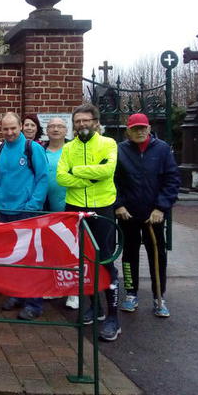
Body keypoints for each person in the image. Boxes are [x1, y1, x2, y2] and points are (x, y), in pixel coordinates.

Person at [56, 104, 120, 341]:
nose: (82, 125)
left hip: (102, 208)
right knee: (85, 260)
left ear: (96, 121)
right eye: (78, 121)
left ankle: (114, 316)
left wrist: (77, 171)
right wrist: (90, 176)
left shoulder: (109, 143)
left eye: (86, 120)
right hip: (75, 209)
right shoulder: (68, 147)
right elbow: (61, 177)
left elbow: (108, 171)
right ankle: (96, 307)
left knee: (105, 260)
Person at [114, 113, 180, 317]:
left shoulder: (162, 150)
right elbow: (113, 180)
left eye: (143, 128)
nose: (140, 131)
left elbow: (172, 180)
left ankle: (159, 296)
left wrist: (161, 207)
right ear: (128, 131)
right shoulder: (120, 150)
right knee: (129, 254)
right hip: (128, 214)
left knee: (157, 254)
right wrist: (119, 205)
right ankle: (131, 293)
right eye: (135, 128)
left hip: (154, 216)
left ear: (149, 128)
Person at [0, 112, 48, 321]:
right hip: (4, 211)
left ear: (20, 127)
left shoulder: (33, 148)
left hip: (27, 212)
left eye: (13, 128)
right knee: (11, 257)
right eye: (5, 129)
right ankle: (16, 294)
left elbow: (43, 178)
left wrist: (33, 205)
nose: (9, 132)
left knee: (31, 259)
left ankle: (34, 303)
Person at [43, 117, 78, 310]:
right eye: (51, 127)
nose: (55, 129)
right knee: (51, 249)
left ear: (67, 130)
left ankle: (73, 291)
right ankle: (54, 286)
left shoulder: (72, 150)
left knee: (71, 249)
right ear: (46, 131)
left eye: (60, 126)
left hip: (69, 207)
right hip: (46, 207)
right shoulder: (41, 151)